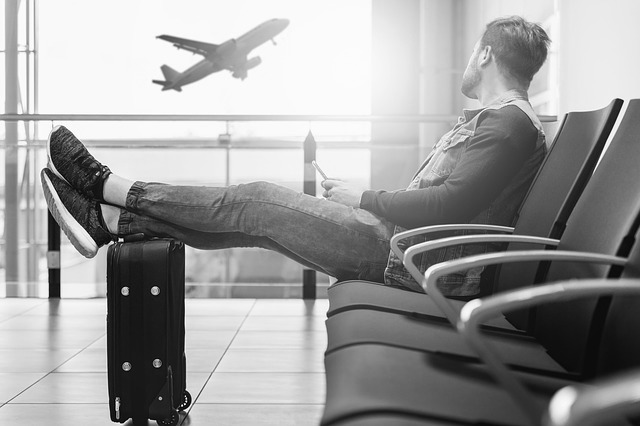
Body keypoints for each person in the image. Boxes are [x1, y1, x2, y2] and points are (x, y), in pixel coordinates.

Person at [41, 16, 550, 296]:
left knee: (255, 199)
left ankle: (106, 185)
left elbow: (449, 206)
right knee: (252, 224)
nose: (466, 63)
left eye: (470, 54)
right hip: (402, 250)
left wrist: (364, 196)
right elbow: (450, 202)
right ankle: (109, 221)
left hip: (402, 259)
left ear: (484, 54)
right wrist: (367, 201)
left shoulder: (507, 124)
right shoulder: (504, 124)